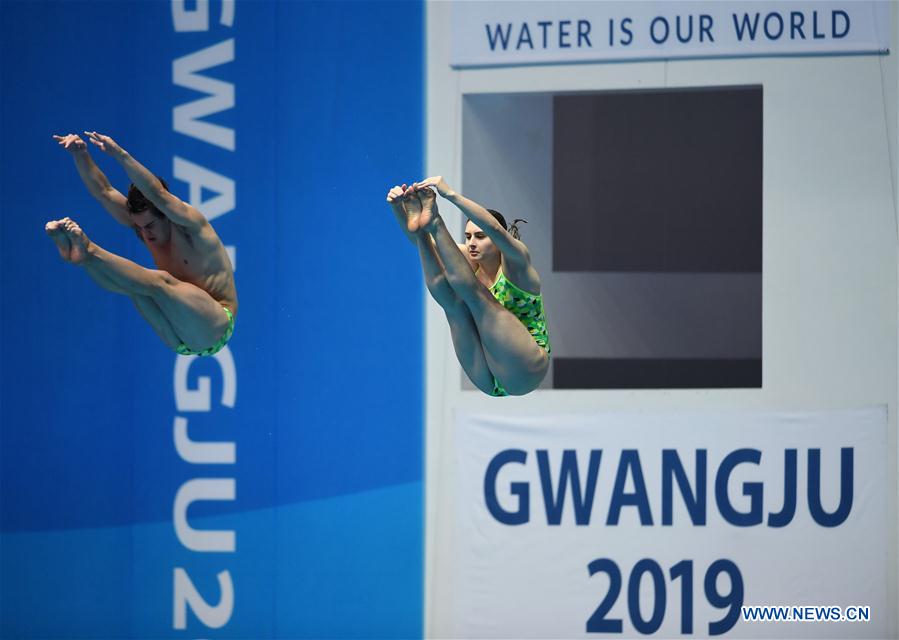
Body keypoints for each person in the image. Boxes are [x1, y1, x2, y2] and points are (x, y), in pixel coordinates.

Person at [46, 131, 237, 356]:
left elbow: (158, 195)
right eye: (139, 227)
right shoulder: (142, 225)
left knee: (160, 281)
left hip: (215, 325)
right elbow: (104, 192)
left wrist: (119, 154)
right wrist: (80, 154)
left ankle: (89, 249)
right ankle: (84, 258)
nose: (145, 233)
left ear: (166, 214)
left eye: (149, 225)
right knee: (132, 286)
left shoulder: (192, 227)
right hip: (178, 337)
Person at [387, 176, 549, 396]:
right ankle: (430, 222)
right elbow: (420, 244)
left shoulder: (516, 263)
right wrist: (400, 209)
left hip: (525, 369)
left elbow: (495, 228)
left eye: (480, 236)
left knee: (476, 295)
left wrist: (450, 194)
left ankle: (437, 222)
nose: (472, 243)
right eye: (468, 236)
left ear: (495, 238)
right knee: (450, 302)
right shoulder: (469, 260)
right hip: (489, 379)